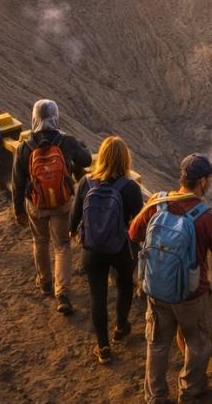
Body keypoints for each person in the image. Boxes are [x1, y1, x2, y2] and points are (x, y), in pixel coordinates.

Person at [129, 154, 212, 404]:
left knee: (156, 343)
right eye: (210, 177)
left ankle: (155, 396)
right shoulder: (207, 216)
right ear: (201, 182)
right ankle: (189, 392)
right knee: (197, 343)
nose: (211, 181)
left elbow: (134, 233)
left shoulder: (157, 203)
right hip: (192, 296)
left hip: (156, 289)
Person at [12, 99, 91, 315]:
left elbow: (18, 181)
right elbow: (86, 161)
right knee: (62, 245)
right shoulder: (66, 141)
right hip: (62, 203)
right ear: (56, 116)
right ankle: (62, 292)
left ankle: (45, 283)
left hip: (36, 204)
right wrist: (80, 145)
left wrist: (18, 209)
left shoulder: (25, 146)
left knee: (40, 241)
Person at [69, 135, 144, 364]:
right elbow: (138, 223)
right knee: (124, 286)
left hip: (92, 249)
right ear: (125, 159)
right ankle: (121, 327)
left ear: (101, 157)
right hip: (120, 248)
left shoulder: (86, 182)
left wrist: (75, 234)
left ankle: (102, 347)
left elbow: (74, 218)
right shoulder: (130, 187)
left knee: (97, 296)